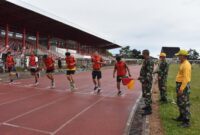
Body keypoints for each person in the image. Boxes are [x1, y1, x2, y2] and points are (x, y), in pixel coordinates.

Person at [173, 50, 191, 128]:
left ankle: (186, 122)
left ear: (183, 56)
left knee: (184, 103)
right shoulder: (182, 63)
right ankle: (181, 116)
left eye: (179, 55)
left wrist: (181, 89)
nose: (178, 57)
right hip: (180, 85)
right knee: (180, 102)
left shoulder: (186, 65)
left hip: (183, 86)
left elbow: (186, 78)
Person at [138, 50, 154, 116]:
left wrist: (144, 80)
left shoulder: (149, 61)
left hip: (147, 81)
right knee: (145, 93)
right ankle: (147, 106)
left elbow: (149, 73)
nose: (142, 55)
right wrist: (141, 76)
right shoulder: (146, 60)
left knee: (147, 94)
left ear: (146, 54)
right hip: (144, 80)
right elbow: (144, 70)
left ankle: (149, 110)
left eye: (143, 54)